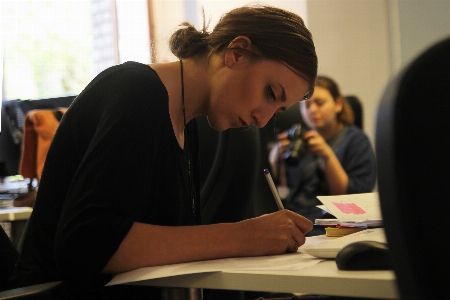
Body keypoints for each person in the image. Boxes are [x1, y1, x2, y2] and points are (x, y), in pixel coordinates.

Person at [7, 5, 317, 299]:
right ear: (236, 53)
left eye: (277, 109)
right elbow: (87, 246)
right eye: (270, 93)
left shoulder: (186, 123)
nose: (261, 119)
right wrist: (243, 237)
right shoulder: (137, 92)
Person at [269, 76, 376, 236]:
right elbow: (284, 191)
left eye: (319, 103)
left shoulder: (356, 141)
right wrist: (275, 158)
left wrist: (327, 155)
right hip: (296, 222)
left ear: (338, 104)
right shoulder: (299, 140)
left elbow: (353, 200)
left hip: (333, 227)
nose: (312, 110)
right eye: (306, 105)